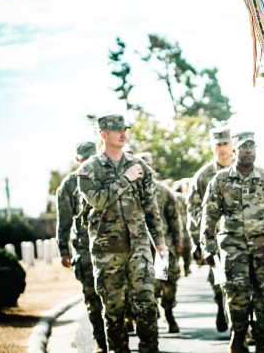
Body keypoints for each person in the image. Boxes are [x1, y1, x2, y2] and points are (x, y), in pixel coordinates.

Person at [77, 114, 167, 353]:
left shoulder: (139, 166)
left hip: (139, 247)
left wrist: (159, 242)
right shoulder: (88, 170)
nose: (123, 133)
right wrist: (124, 180)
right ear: (103, 135)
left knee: (147, 304)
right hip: (108, 252)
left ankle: (150, 348)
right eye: (117, 130)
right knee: (114, 310)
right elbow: (98, 201)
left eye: (124, 128)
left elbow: (151, 208)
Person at [200, 131, 264, 353]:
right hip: (232, 247)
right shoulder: (220, 180)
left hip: (263, 245)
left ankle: (262, 341)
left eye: (252, 146)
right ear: (235, 150)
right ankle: (238, 336)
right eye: (244, 147)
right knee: (236, 294)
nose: (249, 151)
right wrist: (208, 246)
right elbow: (209, 215)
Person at [56, 141, 107, 353]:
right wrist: (64, 250)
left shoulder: (107, 177)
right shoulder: (68, 185)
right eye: (84, 158)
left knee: (115, 297)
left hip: (109, 248)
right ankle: (102, 343)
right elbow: (64, 220)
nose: (87, 161)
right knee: (93, 299)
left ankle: (115, 341)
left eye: (90, 157)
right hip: (85, 251)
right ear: (78, 159)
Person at [186, 126, 233, 333]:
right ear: (212, 146)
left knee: (244, 286)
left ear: (232, 144)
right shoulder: (203, 176)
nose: (222, 149)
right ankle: (222, 306)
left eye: (225, 143)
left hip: (242, 237)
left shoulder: (245, 168)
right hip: (215, 240)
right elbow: (193, 208)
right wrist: (199, 240)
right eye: (218, 144)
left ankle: (242, 328)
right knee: (219, 283)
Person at [137, 152, 184, 334]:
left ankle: (168, 311)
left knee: (167, 281)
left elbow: (174, 219)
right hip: (139, 248)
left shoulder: (164, 192)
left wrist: (178, 241)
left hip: (161, 247)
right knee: (148, 287)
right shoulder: (130, 191)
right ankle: (151, 318)